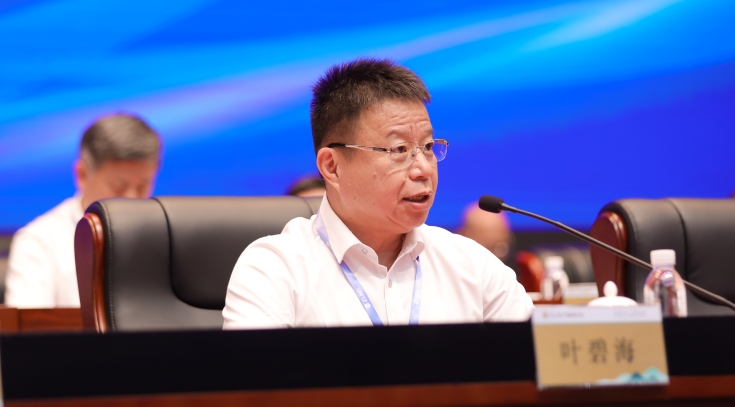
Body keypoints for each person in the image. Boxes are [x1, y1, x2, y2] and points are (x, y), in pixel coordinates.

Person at [223, 59, 533, 329]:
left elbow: (543, 362)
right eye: (399, 150)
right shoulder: (275, 270)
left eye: (428, 147)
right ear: (332, 167)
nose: (423, 169)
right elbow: (254, 380)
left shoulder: (472, 266)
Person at [5, 114, 161, 308]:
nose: (131, 200)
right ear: (82, 175)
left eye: (142, 186)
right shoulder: (39, 243)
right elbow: (30, 325)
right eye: (118, 186)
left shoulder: (166, 237)